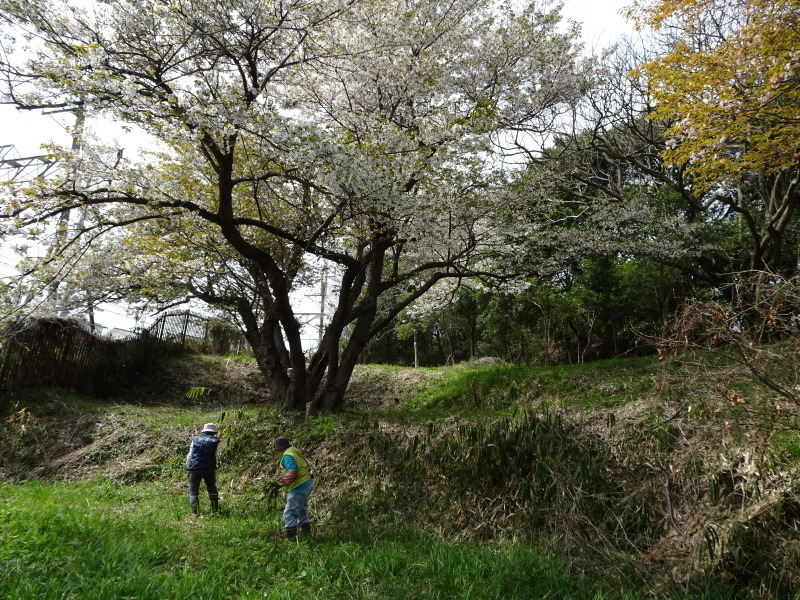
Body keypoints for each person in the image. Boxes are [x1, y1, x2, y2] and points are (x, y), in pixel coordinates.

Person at [274, 436, 313, 540]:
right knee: (301, 510)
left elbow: (292, 471)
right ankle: (307, 535)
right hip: (306, 483)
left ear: (278, 449)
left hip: (298, 485)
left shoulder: (287, 456)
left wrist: (281, 483)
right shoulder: (294, 453)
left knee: (289, 512)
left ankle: (290, 538)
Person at [186, 422, 221, 515]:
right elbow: (215, 455)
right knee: (212, 488)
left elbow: (190, 454)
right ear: (214, 432)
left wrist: (188, 465)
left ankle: (195, 513)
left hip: (195, 467)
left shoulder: (195, 439)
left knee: (193, 491)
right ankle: (215, 510)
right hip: (209, 467)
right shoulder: (216, 441)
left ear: (204, 430)